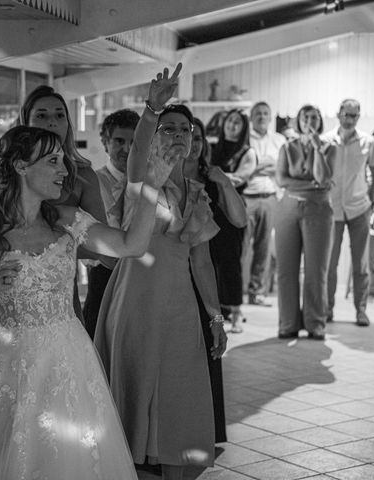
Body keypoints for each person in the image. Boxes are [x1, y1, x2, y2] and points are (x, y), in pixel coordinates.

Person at [0, 124, 166, 480]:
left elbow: (130, 246)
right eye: (53, 161)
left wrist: (152, 186)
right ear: (20, 166)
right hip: (7, 367)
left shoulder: (65, 221)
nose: (64, 170)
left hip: (68, 361)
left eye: (62, 160)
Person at [95, 66, 228, 480]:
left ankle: (173, 459)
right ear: (153, 136)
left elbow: (201, 261)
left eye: (184, 130)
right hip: (136, 297)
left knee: (179, 385)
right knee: (135, 380)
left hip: (178, 303)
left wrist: (216, 316)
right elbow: (137, 152)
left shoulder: (197, 193)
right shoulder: (141, 178)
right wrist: (151, 107)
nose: (177, 135)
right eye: (168, 129)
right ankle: (127, 461)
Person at [0, 85, 108, 354]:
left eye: (59, 115)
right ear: (26, 122)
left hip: (55, 295)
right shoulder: (3, 167)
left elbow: (103, 248)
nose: (51, 122)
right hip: (7, 290)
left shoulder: (82, 175)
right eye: (42, 115)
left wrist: (57, 249)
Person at [184, 117, 247, 444]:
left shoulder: (211, 177)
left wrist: (224, 182)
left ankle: (206, 430)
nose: (191, 143)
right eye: (184, 135)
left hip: (209, 268)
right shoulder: (163, 179)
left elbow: (239, 218)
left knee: (207, 350)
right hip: (177, 273)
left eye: (196, 137)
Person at [275, 105, 334, 340]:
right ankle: (288, 323)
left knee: (316, 270)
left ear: (320, 121)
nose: (309, 121)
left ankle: (315, 323)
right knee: (286, 270)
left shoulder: (331, 148)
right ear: (298, 121)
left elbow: (323, 178)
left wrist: (318, 149)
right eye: (305, 117)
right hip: (288, 209)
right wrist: (313, 186)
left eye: (314, 117)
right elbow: (281, 180)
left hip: (319, 211)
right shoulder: (287, 147)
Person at [82, 108, 139, 339]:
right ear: (105, 143)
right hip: (104, 277)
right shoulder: (91, 182)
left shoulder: (152, 184)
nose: (126, 149)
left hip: (144, 279)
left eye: (134, 142)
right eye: (119, 141)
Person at [323, 99, 374, 326]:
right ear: (339, 113)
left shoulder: (368, 142)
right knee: (330, 264)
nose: (350, 119)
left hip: (359, 208)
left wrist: (373, 201)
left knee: (361, 265)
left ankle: (361, 311)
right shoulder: (325, 140)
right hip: (331, 209)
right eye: (346, 114)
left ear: (358, 117)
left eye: (354, 116)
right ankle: (327, 310)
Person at [209, 109, 257, 333]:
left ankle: (237, 312)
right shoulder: (212, 148)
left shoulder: (247, 152)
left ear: (244, 127)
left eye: (238, 122)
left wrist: (216, 176)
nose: (232, 126)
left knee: (231, 262)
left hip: (232, 212)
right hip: (210, 211)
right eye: (230, 121)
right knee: (210, 261)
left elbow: (240, 178)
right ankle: (218, 312)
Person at [243, 102, 286, 307]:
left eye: (265, 113)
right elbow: (243, 168)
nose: (262, 116)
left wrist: (256, 166)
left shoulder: (280, 140)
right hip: (246, 198)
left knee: (263, 248)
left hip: (270, 197)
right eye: (258, 113)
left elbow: (281, 169)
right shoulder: (244, 138)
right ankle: (236, 293)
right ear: (251, 117)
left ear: (270, 117)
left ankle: (256, 292)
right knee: (240, 248)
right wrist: (265, 165)